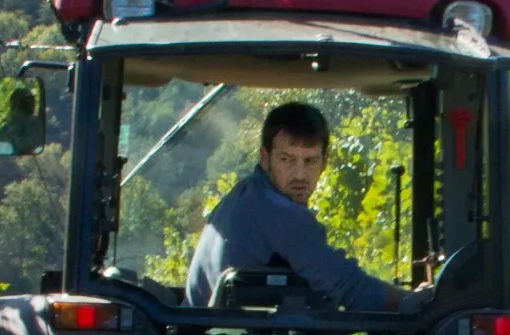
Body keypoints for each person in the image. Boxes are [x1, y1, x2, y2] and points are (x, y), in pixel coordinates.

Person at [184, 102, 432, 312]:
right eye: (287, 160)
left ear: (325, 162)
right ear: (265, 158)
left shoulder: (244, 194)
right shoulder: (280, 214)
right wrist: (415, 302)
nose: (300, 175)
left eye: (310, 161)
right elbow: (350, 288)